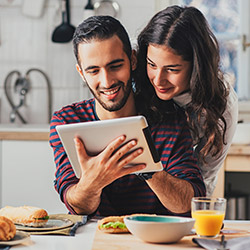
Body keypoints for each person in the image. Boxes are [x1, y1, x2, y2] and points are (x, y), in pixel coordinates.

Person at [49, 15, 205, 217]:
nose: (106, 81)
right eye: (93, 70)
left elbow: (188, 203)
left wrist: (149, 168)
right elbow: (77, 205)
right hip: (96, 241)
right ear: (81, 73)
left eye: (115, 66)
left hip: (156, 240)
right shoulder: (68, 121)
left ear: (132, 60)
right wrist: (93, 182)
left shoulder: (169, 119)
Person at [135, 5, 238, 196]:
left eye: (172, 69)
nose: (158, 80)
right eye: (152, 65)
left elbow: (204, 177)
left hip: (179, 195)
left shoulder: (222, 105)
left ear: (196, 66)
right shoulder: (136, 66)